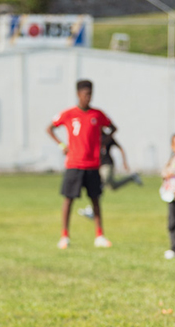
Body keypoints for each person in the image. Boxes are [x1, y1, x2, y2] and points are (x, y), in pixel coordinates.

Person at [47, 79, 115, 249]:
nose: (88, 97)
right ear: (78, 94)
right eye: (85, 94)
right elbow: (50, 128)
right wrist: (62, 145)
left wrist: (103, 143)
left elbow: (113, 128)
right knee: (68, 200)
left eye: (90, 94)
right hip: (74, 164)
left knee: (95, 200)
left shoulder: (97, 115)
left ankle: (99, 235)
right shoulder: (69, 114)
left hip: (92, 164)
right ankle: (64, 236)